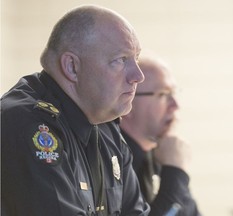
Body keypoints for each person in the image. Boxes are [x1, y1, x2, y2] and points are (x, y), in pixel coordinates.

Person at [1, 5, 150, 216]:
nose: (138, 75)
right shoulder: (27, 123)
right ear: (72, 67)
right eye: (121, 60)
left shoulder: (105, 124)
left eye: (136, 58)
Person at [120, 54, 202, 216]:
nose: (175, 105)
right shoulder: (112, 161)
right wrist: (175, 173)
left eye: (174, 93)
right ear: (128, 101)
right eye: (163, 94)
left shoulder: (163, 154)